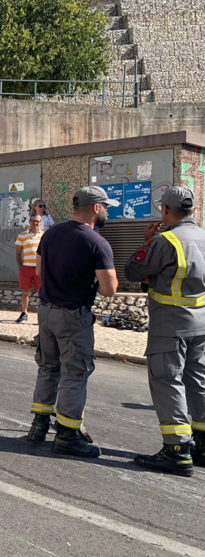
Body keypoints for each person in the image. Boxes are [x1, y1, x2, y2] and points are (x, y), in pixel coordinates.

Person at [26, 186, 118, 457]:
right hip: (73, 315)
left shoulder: (51, 234)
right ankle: (67, 435)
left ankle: (39, 425)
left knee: (48, 367)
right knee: (75, 373)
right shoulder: (97, 242)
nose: (107, 211)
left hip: (46, 311)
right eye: (106, 207)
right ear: (96, 208)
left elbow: (39, 270)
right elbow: (109, 289)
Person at [124, 187, 205, 476]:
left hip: (170, 323)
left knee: (167, 381)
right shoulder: (203, 236)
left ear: (166, 210)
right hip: (201, 322)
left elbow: (133, 271)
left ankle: (177, 450)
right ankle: (202, 444)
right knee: (198, 380)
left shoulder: (165, 240)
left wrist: (147, 242)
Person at [14, 213, 44, 324]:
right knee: (25, 291)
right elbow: (18, 254)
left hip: (40, 268)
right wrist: (21, 267)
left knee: (41, 293)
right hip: (26, 268)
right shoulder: (22, 235)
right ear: (29, 222)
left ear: (40, 223)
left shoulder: (44, 235)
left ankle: (42, 316)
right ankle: (24, 313)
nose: (35, 223)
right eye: (33, 221)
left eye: (37, 221)